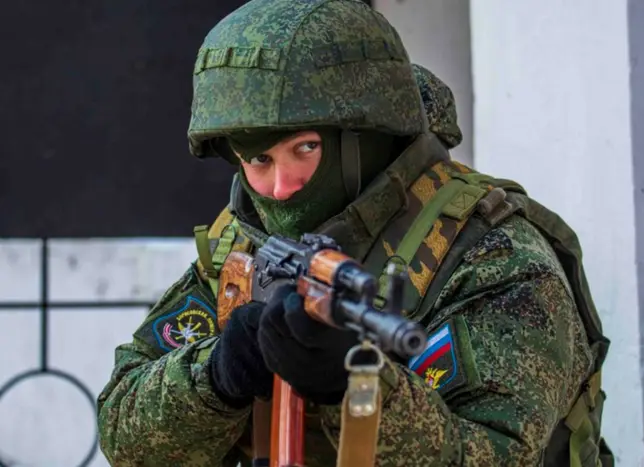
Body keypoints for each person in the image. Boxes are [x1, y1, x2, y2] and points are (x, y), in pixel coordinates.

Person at [96, 0, 613, 465]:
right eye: (258, 159)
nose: (279, 188)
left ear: (363, 137)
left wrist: (356, 385)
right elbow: (125, 436)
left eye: (305, 150)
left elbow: (494, 455)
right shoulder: (243, 243)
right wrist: (218, 373)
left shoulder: (492, 255)